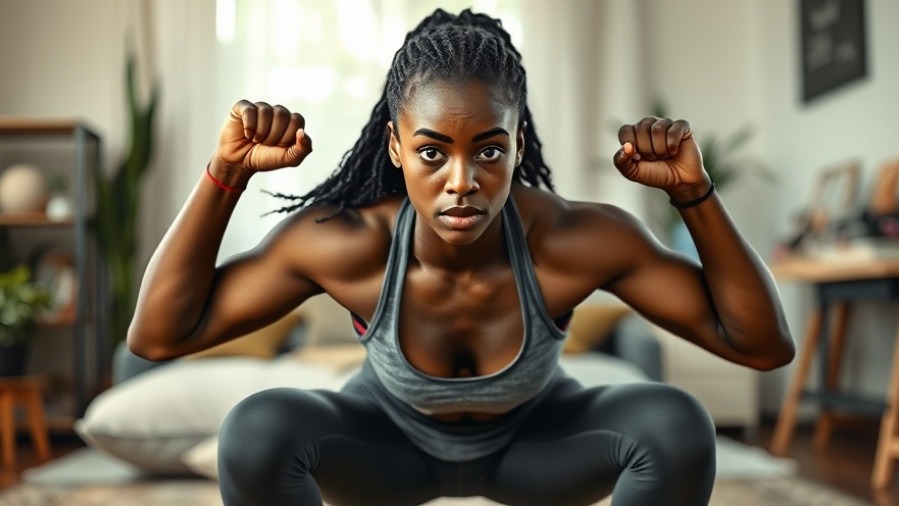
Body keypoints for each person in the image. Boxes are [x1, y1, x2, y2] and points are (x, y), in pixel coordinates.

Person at [128, 8, 795, 506]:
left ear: (516, 141)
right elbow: (160, 335)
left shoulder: (573, 241)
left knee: (676, 424)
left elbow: (760, 345)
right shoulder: (347, 243)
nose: (460, 181)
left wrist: (693, 194)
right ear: (393, 146)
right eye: (430, 152)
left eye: (488, 150)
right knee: (255, 429)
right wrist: (224, 174)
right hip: (384, 449)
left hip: (537, 448)